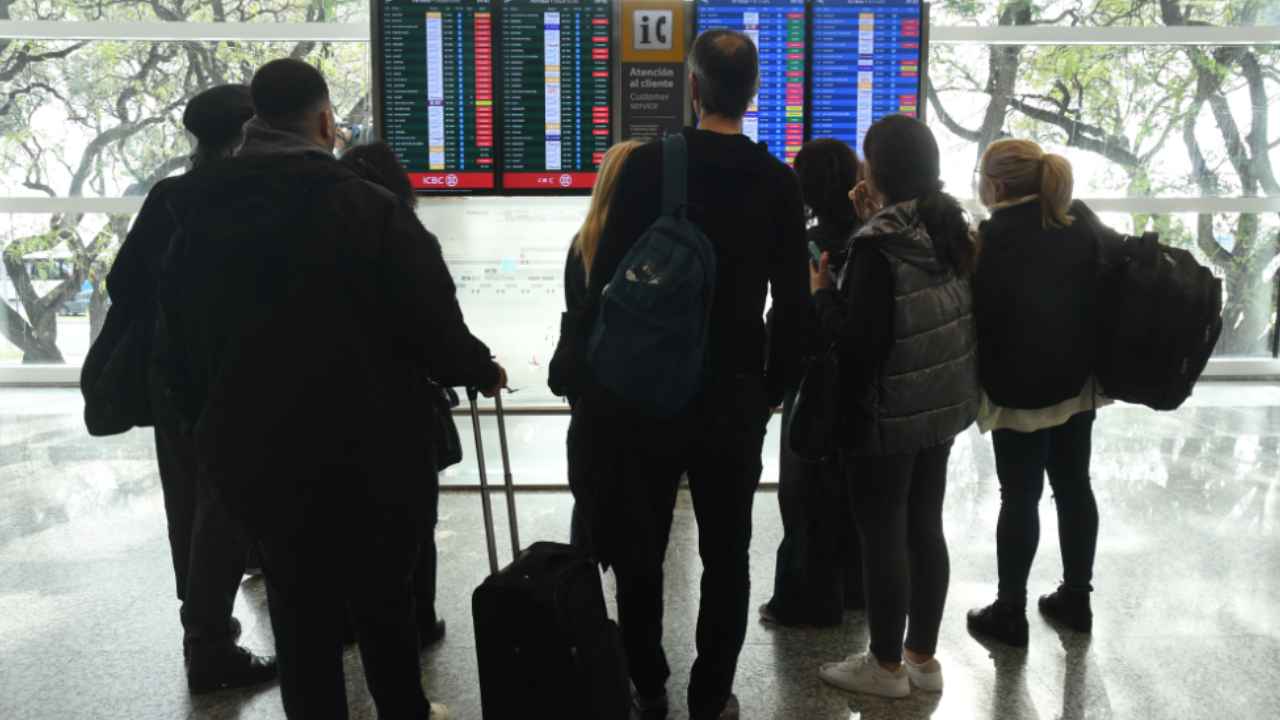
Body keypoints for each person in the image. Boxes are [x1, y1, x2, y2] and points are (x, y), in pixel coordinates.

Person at [155, 58, 505, 720]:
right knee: (385, 605)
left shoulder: (194, 216)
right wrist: (479, 367)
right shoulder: (369, 209)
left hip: (261, 465)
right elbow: (432, 326)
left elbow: (172, 354)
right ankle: (402, 709)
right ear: (325, 122)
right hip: (373, 458)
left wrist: (217, 428)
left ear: (257, 121)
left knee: (299, 614)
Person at [580, 29, 809, 720]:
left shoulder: (649, 167)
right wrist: (769, 390)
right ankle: (711, 696)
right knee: (727, 551)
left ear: (694, 89)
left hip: (649, 391)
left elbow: (604, 284)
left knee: (640, 543)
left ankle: (648, 682)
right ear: (756, 94)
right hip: (734, 391)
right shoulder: (777, 180)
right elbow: (793, 305)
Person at [90, 84, 276, 693]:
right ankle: (211, 643)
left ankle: (204, 628)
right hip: (217, 366)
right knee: (224, 499)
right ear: (246, 132)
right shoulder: (235, 195)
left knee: (188, 500)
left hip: (165, 368)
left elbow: (124, 281)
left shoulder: (170, 194)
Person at [811, 113, 980, 698]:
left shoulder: (878, 245)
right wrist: (871, 224)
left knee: (881, 533)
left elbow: (861, 347)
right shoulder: (945, 225)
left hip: (888, 412)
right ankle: (922, 660)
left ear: (876, 169)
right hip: (941, 406)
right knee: (923, 526)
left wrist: (823, 296)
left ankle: (884, 669)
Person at [966, 139, 1109, 647]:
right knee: (1074, 487)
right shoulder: (1079, 220)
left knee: (1021, 496)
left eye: (979, 173)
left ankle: (1010, 611)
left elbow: (978, 317)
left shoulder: (995, 236)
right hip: (1077, 383)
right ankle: (1076, 599)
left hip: (1019, 388)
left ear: (997, 186)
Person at [340, 139, 449, 649]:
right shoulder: (401, 229)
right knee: (410, 523)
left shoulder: (324, 228)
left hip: (332, 411)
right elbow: (434, 325)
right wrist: (477, 368)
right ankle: (419, 620)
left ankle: (345, 624)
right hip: (395, 411)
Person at [762, 137, 866, 627]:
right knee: (852, 492)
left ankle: (802, 600)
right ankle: (856, 589)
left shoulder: (805, 244)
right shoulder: (871, 237)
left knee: (802, 495)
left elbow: (789, 316)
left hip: (811, 385)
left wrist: (767, 378)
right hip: (861, 381)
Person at [562, 139, 639, 552]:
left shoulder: (582, 244)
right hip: (641, 400)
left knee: (589, 507)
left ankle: (581, 606)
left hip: (593, 398)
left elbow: (576, 321)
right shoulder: (652, 246)